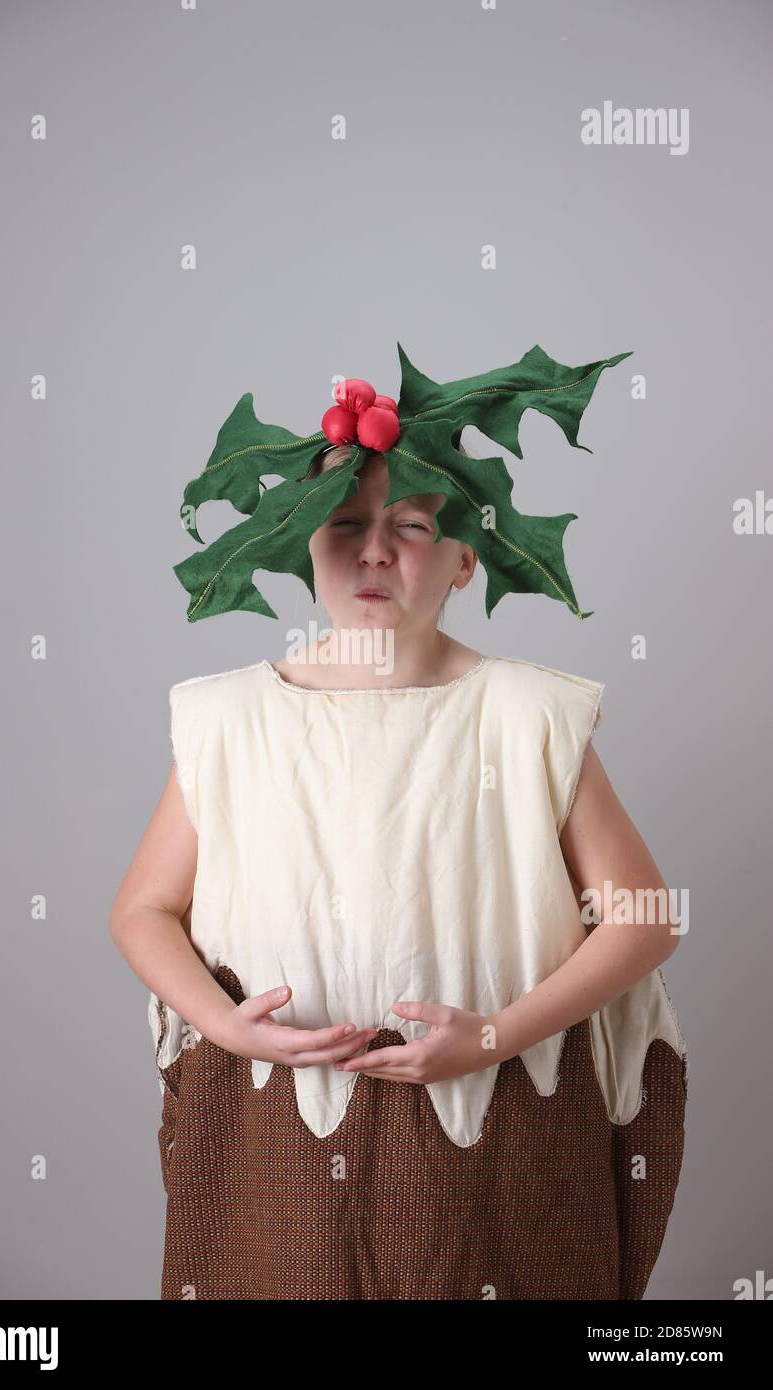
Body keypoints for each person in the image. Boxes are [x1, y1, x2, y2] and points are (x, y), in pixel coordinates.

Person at [109, 348, 689, 1300]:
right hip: (279, 1132)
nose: (374, 549)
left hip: (493, 1126)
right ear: (301, 547)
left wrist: (495, 1036)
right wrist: (226, 1026)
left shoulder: (528, 715)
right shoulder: (229, 722)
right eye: (343, 526)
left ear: (469, 559)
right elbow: (143, 911)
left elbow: (643, 917)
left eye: (412, 526)